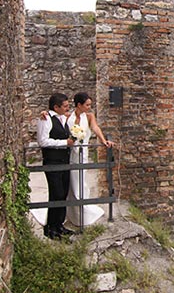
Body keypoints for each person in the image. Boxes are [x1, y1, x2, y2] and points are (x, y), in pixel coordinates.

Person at [66, 92, 114, 227]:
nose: (89, 107)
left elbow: (95, 128)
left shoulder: (89, 116)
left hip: (82, 153)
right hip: (70, 154)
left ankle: (83, 210)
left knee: (81, 182)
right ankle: (72, 213)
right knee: (71, 184)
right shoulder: (67, 116)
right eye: (87, 105)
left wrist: (104, 141)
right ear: (79, 105)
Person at [36, 93, 75, 239]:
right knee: (56, 193)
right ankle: (50, 228)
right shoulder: (45, 119)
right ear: (56, 107)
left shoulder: (62, 118)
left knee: (63, 193)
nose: (67, 107)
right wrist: (64, 143)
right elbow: (43, 141)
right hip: (52, 161)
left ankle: (59, 225)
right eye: (64, 106)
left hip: (64, 161)